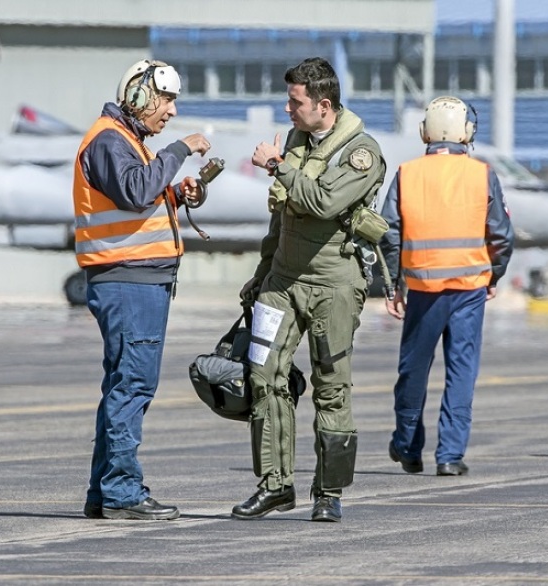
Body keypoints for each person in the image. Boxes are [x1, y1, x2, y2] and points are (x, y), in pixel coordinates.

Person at [233, 57, 386, 523]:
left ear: (324, 105)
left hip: (332, 287)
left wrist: (277, 165)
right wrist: (261, 276)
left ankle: (329, 493)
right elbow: (281, 219)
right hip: (283, 281)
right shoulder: (299, 141)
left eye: (294, 102)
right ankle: (275, 485)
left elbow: (321, 202)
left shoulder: (361, 153)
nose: (287, 110)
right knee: (262, 375)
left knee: (331, 389)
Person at [73, 59, 211, 521]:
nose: (171, 111)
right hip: (129, 281)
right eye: (166, 99)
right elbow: (134, 191)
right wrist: (179, 152)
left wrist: (174, 194)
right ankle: (122, 491)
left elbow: (139, 199)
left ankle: (105, 489)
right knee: (132, 385)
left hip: (136, 279)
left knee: (122, 386)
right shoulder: (111, 139)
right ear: (139, 96)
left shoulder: (127, 142)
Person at [379, 96, 514, 477]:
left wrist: (394, 284)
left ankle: (407, 446)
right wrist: (494, 275)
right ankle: (450, 456)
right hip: (470, 288)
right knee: (461, 371)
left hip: (422, 287)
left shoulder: (408, 173)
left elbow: (389, 232)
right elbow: (502, 235)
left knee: (413, 371)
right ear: (467, 133)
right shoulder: (482, 173)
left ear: (424, 132)